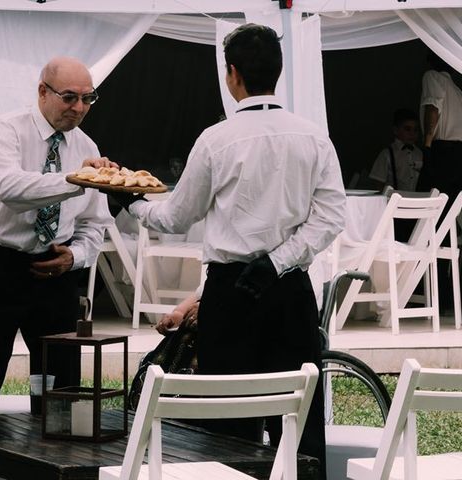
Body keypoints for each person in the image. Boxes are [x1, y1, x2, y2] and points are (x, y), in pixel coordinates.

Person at [111, 24, 345, 479]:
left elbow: (176, 218)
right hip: (289, 289)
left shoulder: (216, 140)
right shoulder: (313, 137)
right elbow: (331, 218)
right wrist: (278, 261)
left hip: (228, 294)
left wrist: (129, 201)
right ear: (277, 73)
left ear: (231, 74)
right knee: (301, 420)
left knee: (228, 426)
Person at [0, 56, 115, 415]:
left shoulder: (87, 149)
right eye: (70, 97)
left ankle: (49, 462)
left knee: (60, 383)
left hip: (54, 269)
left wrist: (74, 257)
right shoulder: (5, 131)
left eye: (88, 99)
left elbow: (94, 223)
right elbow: (9, 188)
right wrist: (76, 180)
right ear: (43, 92)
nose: (78, 108)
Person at [418, 50, 462, 208]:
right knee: (449, 204)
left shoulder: (432, 76)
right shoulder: (458, 92)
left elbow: (433, 109)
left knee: (428, 201)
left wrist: (427, 145)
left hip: (442, 151)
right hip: (458, 153)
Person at [369, 108, 423, 192]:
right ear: (396, 130)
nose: (412, 133)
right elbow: (378, 182)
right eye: (407, 129)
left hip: (417, 200)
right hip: (394, 201)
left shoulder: (420, 154)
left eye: (415, 130)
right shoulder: (386, 154)